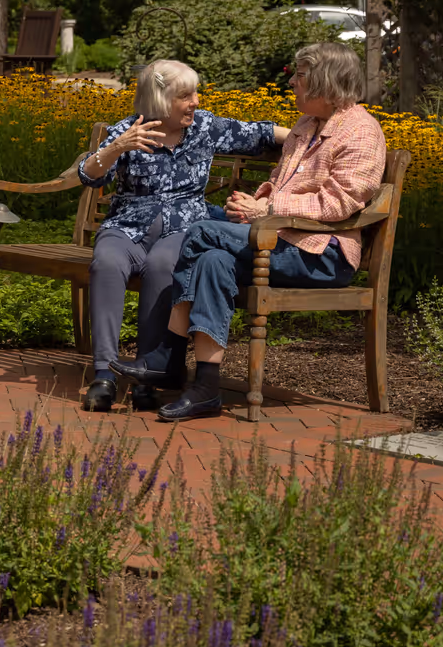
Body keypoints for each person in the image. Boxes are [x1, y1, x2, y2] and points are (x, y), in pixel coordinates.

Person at [113, 42, 386, 421]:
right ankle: (206, 389)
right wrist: (254, 203)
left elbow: (340, 203)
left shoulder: (360, 132)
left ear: (325, 80)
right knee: (211, 260)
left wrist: (267, 209)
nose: (292, 83)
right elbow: (281, 182)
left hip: (322, 252)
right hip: (279, 239)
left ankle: (169, 356)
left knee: (201, 231)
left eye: (300, 76)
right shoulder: (306, 126)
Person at [73, 61, 288, 412]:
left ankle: (146, 374)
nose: (195, 102)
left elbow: (259, 133)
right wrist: (116, 148)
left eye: (195, 93)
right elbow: (89, 175)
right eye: (185, 96)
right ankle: (104, 375)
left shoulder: (205, 127)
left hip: (183, 228)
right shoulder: (129, 130)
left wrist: (310, 136)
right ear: (159, 99)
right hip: (127, 225)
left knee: (163, 265)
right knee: (106, 263)